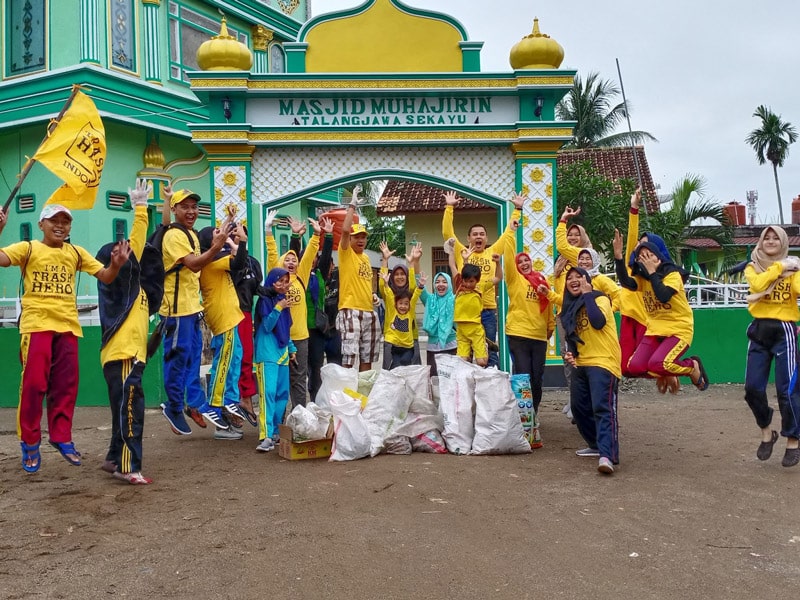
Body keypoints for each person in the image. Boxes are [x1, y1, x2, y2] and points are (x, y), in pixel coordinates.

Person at [0, 204, 130, 472]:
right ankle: (30, 441)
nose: (60, 226)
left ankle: (61, 437)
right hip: (36, 324)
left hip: (68, 325)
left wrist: (116, 265)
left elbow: (105, 276)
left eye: (65, 222)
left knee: (66, 385)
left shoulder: (75, 252)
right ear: (41, 225)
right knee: (35, 384)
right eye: (53, 221)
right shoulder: (29, 249)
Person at [158, 188, 230, 436]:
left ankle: (193, 404)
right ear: (176, 209)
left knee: (192, 360)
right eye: (184, 207)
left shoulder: (190, 234)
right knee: (177, 360)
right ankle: (174, 406)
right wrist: (215, 249)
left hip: (191, 308)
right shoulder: (174, 236)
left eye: (194, 207)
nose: (191, 211)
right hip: (175, 310)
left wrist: (227, 225)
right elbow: (193, 263)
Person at [96, 178, 155, 484]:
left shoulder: (139, 290)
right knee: (133, 411)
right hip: (122, 356)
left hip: (129, 356)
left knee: (123, 408)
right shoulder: (118, 285)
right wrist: (141, 209)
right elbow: (139, 241)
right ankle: (128, 466)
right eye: (121, 253)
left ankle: (112, 458)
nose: (129, 253)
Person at [613, 230, 709, 392]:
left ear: (658, 255)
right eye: (641, 256)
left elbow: (663, 296)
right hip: (655, 329)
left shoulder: (672, 274)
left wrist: (652, 273)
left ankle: (691, 366)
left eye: (649, 254)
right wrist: (618, 257)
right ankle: (666, 372)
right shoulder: (643, 279)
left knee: (661, 363)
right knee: (634, 367)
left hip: (678, 329)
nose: (646, 258)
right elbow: (626, 282)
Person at [442, 190, 524, 367]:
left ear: (486, 238)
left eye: (482, 234)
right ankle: (467, 390)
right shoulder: (461, 252)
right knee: (465, 355)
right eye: (475, 234)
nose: (478, 237)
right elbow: (448, 232)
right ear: (468, 238)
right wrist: (449, 207)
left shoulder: (493, 251)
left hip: (487, 311)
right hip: (465, 315)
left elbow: (509, 233)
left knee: (489, 352)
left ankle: (490, 388)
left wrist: (517, 209)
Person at [742, 226, 800, 467]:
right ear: (761, 242)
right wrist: (779, 268)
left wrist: (792, 269)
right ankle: (767, 431)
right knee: (752, 389)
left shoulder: (794, 267)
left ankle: (793, 440)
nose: (771, 241)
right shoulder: (752, 266)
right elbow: (757, 285)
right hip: (759, 331)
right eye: (767, 237)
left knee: (787, 390)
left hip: (784, 330)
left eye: (776, 237)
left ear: (784, 242)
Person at [560, 267, 621, 475]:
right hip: (582, 363)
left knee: (602, 408)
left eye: (579, 277)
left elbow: (597, 322)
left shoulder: (600, 299)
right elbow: (573, 338)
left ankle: (607, 455)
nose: (574, 280)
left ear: (588, 281)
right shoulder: (570, 308)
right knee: (578, 408)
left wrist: (588, 295)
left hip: (604, 362)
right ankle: (595, 444)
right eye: (570, 278)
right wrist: (571, 354)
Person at [266, 213, 327, 406]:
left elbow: (309, 255)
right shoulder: (277, 279)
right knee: (279, 380)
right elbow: (272, 254)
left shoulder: (302, 278)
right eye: (287, 260)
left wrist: (317, 235)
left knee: (299, 378)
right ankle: (278, 421)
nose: (291, 262)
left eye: (294, 260)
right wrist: (268, 230)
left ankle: (299, 415)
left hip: (300, 337)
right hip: (278, 338)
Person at [195, 222, 249, 436]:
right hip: (224, 319)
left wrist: (234, 239)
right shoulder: (212, 262)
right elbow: (239, 262)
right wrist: (240, 241)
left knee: (233, 363)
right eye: (217, 233)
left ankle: (227, 404)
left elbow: (242, 262)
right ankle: (214, 403)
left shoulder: (216, 260)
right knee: (224, 364)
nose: (223, 234)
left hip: (230, 318)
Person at [503, 220, 555, 412]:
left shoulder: (541, 279)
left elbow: (548, 304)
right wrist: (510, 232)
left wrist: (550, 328)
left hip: (539, 336)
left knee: (537, 377)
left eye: (527, 260)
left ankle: (533, 413)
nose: (524, 264)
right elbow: (508, 257)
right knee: (522, 377)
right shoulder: (514, 279)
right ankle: (522, 416)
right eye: (520, 262)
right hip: (518, 334)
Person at [289, 217, 335, 401]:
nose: (313, 260)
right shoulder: (295, 277)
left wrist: (328, 235)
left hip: (315, 329)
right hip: (298, 329)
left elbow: (325, 258)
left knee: (315, 367)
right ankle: (297, 406)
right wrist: (295, 236)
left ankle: (315, 401)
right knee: (297, 370)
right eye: (310, 257)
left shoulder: (319, 275)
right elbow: (292, 254)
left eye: (315, 257)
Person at [337, 185, 381, 372]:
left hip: (369, 312)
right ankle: (346, 396)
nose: (361, 240)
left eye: (363, 237)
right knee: (349, 357)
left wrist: (373, 295)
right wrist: (353, 205)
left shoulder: (366, 258)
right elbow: (345, 231)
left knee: (367, 357)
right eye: (357, 237)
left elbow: (363, 282)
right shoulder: (345, 252)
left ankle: (363, 395)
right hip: (350, 310)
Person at [254, 267, 296, 452]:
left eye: (286, 281)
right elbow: (268, 325)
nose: (283, 284)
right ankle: (266, 435)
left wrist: (292, 348)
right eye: (280, 281)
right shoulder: (265, 301)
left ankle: (277, 431)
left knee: (281, 395)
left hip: (282, 356)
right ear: (271, 281)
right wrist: (278, 308)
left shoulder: (283, 301)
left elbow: (286, 329)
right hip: (267, 355)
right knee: (268, 394)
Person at [554, 206, 595, 391]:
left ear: (583, 238)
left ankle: (586, 394)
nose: (572, 238)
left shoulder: (583, 256)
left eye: (576, 235)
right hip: (563, 312)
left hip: (583, 312)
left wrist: (563, 220)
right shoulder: (562, 260)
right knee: (567, 354)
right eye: (570, 235)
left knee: (583, 352)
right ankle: (574, 397)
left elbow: (561, 244)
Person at [449, 247, 502, 367]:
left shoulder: (481, 286)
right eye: (466, 281)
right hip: (461, 329)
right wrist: (451, 250)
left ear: (477, 280)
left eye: (471, 281)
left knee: (482, 362)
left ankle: (485, 344)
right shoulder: (459, 284)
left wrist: (498, 263)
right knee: (462, 361)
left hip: (475, 328)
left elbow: (498, 277)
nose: (468, 284)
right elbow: (452, 265)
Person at [231, 231, 263, 425]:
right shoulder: (224, 259)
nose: (239, 236)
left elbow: (257, 287)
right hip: (227, 313)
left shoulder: (253, 262)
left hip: (245, 312)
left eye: (242, 233)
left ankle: (246, 399)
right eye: (234, 233)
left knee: (246, 357)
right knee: (231, 360)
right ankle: (232, 405)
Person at [378, 240, 422, 369]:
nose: (399, 277)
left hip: (410, 337)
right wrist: (385, 260)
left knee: (412, 372)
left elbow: (414, 285)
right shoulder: (389, 294)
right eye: (396, 274)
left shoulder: (410, 293)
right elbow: (382, 284)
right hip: (391, 339)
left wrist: (412, 263)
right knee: (391, 371)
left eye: (402, 274)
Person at [380, 271, 425, 369]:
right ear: (396, 304)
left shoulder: (410, 312)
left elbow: (414, 297)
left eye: (406, 304)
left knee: (405, 362)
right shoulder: (393, 311)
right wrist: (386, 284)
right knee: (395, 366)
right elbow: (390, 296)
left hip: (408, 347)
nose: (403, 306)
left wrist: (420, 286)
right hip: (395, 346)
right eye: (400, 303)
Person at [419, 271, 457, 377]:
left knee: (452, 379)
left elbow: (463, 284)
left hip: (452, 346)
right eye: (437, 282)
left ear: (449, 284)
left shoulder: (454, 299)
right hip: (433, 347)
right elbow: (419, 286)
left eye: (444, 282)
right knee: (434, 378)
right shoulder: (429, 299)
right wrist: (415, 261)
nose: (440, 284)